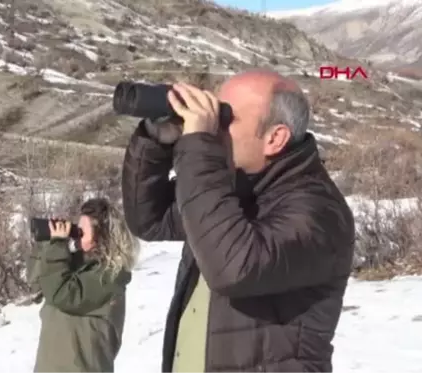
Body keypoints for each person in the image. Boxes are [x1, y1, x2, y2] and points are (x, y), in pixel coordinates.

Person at [121, 69, 355, 373]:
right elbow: (150, 219)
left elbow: (234, 268)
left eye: (225, 120)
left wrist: (199, 146)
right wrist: (158, 140)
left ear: (274, 138)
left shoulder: (319, 212)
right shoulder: (233, 188)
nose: (213, 128)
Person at [30, 198, 139, 373]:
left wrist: (57, 245)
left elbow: (62, 294)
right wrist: (47, 244)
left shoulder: (110, 278)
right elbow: (36, 284)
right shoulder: (72, 265)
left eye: (81, 232)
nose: (77, 238)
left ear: (103, 236)